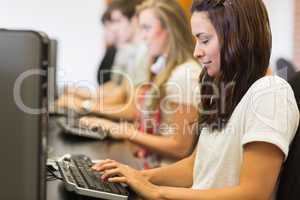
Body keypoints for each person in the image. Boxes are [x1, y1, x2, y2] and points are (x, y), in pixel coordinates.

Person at [90, 0, 300, 199]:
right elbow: (195, 166)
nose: (197, 52)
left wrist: (156, 192)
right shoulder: (226, 89)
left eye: (205, 40)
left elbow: (252, 194)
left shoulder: (270, 92)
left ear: (238, 38)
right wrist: (138, 177)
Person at [80, 0, 202, 164]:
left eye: (147, 28)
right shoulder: (162, 68)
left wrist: (122, 130)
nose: (143, 36)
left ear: (169, 29)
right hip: (152, 168)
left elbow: (180, 147)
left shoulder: (185, 74)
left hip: (164, 178)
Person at [56, 0, 148, 112]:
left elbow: (126, 102)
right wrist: (81, 97)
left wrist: (84, 105)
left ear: (134, 20)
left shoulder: (144, 52)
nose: (113, 28)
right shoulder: (128, 51)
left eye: (117, 21)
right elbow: (116, 89)